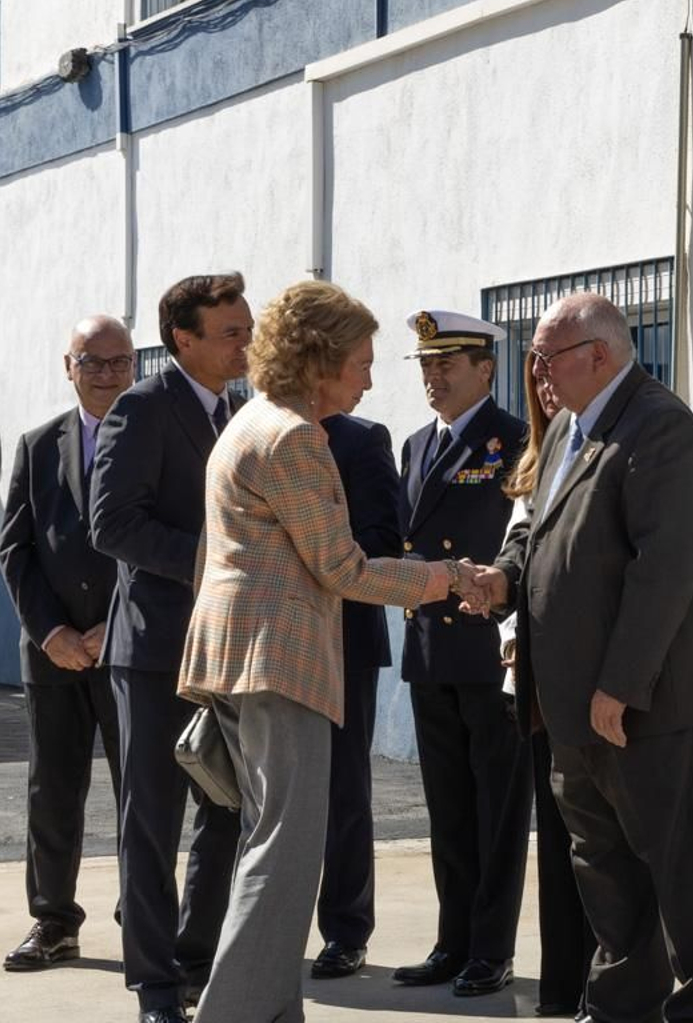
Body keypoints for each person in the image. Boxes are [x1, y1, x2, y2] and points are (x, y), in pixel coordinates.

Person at [177, 280, 460, 1023]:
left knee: (275, 847)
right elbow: (343, 567)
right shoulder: (295, 436)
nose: (370, 376)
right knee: (284, 853)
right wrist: (446, 577)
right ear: (321, 358)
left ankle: (271, 1012)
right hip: (280, 661)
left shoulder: (248, 422)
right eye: (361, 360)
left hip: (248, 660)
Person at [473, 292, 693, 1022]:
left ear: (599, 354)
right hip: (571, 707)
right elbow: (540, 532)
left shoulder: (661, 431)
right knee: (605, 873)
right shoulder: (568, 427)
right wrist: (502, 577)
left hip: (646, 707)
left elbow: (665, 571)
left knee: (688, 878)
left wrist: (620, 684)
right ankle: (622, 1006)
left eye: (547, 356)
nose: (536, 371)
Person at [89, 273, 251, 1023]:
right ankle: (155, 987)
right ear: (183, 340)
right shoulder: (142, 408)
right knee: (150, 822)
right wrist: (211, 560)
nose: (245, 341)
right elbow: (112, 524)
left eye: (246, 327)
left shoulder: (242, 411)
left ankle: (194, 956)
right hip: (155, 652)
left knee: (224, 810)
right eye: (230, 331)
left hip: (230, 650)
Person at [393, 309, 531, 998]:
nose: (433, 375)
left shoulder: (516, 441)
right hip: (429, 646)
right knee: (447, 807)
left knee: (497, 809)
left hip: (486, 647)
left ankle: (490, 948)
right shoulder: (416, 444)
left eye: (446, 363)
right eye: (425, 364)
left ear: (486, 368)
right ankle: (452, 940)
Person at [0, 315, 134, 972]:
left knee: (145, 788)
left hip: (133, 649)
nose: (106, 373)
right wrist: (49, 630)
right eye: (92, 361)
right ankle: (54, 922)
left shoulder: (160, 438)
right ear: (68, 365)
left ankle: (143, 916)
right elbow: (16, 548)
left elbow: (175, 544)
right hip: (53, 655)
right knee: (52, 790)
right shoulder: (36, 444)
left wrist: (120, 621)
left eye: (119, 360)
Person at [496, 365, 595, 1018]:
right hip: (534, 676)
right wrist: (505, 617)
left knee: (601, 846)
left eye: (555, 369)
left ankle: (606, 984)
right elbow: (520, 544)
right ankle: (563, 987)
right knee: (557, 843)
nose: (547, 386)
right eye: (536, 377)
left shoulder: (618, 440)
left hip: (593, 676)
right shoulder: (542, 453)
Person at [308, 409, 405, 980]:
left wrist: (313, 549)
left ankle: (346, 930)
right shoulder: (256, 426)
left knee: (344, 792)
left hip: (344, 642)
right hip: (276, 641)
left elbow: (381, 539)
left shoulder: (363, 438)